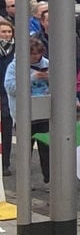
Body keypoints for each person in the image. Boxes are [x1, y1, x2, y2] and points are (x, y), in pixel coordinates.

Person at [4, 37, 50, 183]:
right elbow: (11, 88)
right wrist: (32, 77)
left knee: (47, 149)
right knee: (25, 150)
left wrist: (50, 78)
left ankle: (50, 179)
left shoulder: (47, 63)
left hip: (44, 111)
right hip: (23, 113)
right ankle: (23, 183)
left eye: (39, 54)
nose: (36, 57)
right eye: (33, 54)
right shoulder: (14, 66)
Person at [0, 19, 14, 175]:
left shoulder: (17, 49)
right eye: (4, 32)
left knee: (6, 129)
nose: (7, 35)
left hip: (8, 93)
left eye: (9, 32)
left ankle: (5, 163)